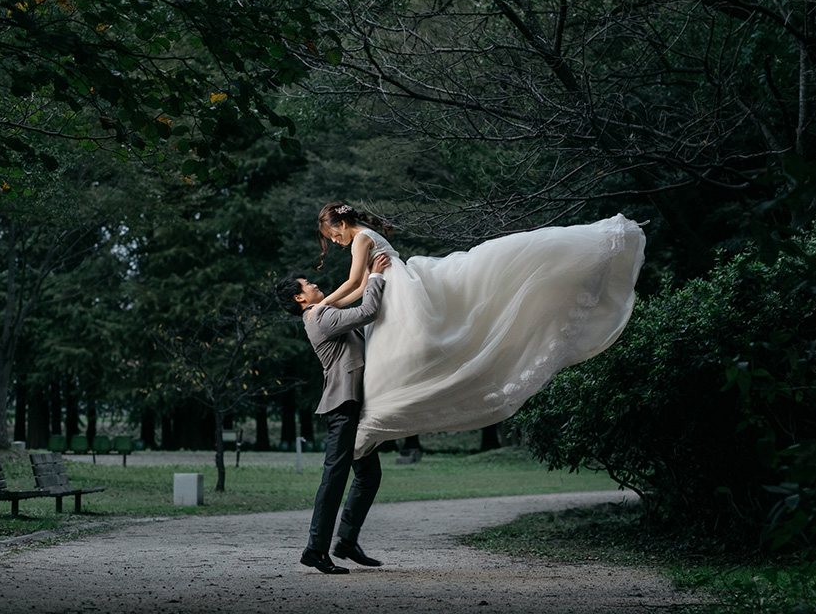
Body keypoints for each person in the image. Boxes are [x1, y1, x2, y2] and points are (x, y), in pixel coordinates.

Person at [315, 202, 647, 458]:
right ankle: (374, 427)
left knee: (401, 362)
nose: (338, 242)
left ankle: (372, 427)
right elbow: (361, 286)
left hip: (399, 294)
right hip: (392, 291)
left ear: (342, 224)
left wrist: (323, 306)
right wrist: (335, 305)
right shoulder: (365, 237)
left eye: (335, 236)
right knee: (393, 366)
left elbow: (355, 282)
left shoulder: (360, 239)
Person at [274, 252, 392, 575]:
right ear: (300, 297)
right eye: (308, 284)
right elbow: (367, 310)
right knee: (334, 477)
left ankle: (346, 541)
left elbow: (354, 294)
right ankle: (315, 549)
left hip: (353, 403)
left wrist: (370, 272)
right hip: (342, 406)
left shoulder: (324, 311)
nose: (315, 284)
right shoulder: (319, 317)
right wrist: (378, 277)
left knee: (368, 474)